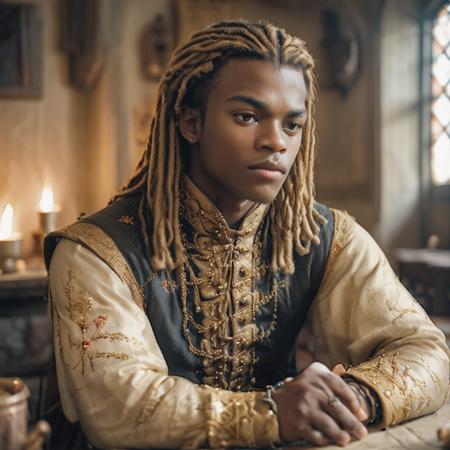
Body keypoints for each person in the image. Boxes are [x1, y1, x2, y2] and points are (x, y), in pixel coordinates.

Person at [44, 19, 449, 449]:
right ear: (190, 123)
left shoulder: (324, 236)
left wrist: (356, 396)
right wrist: (269, 414)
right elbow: (121, 407)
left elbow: (426, 350)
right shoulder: (96, 252)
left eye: (292, 125)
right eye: (247, 116)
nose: (275, 142)